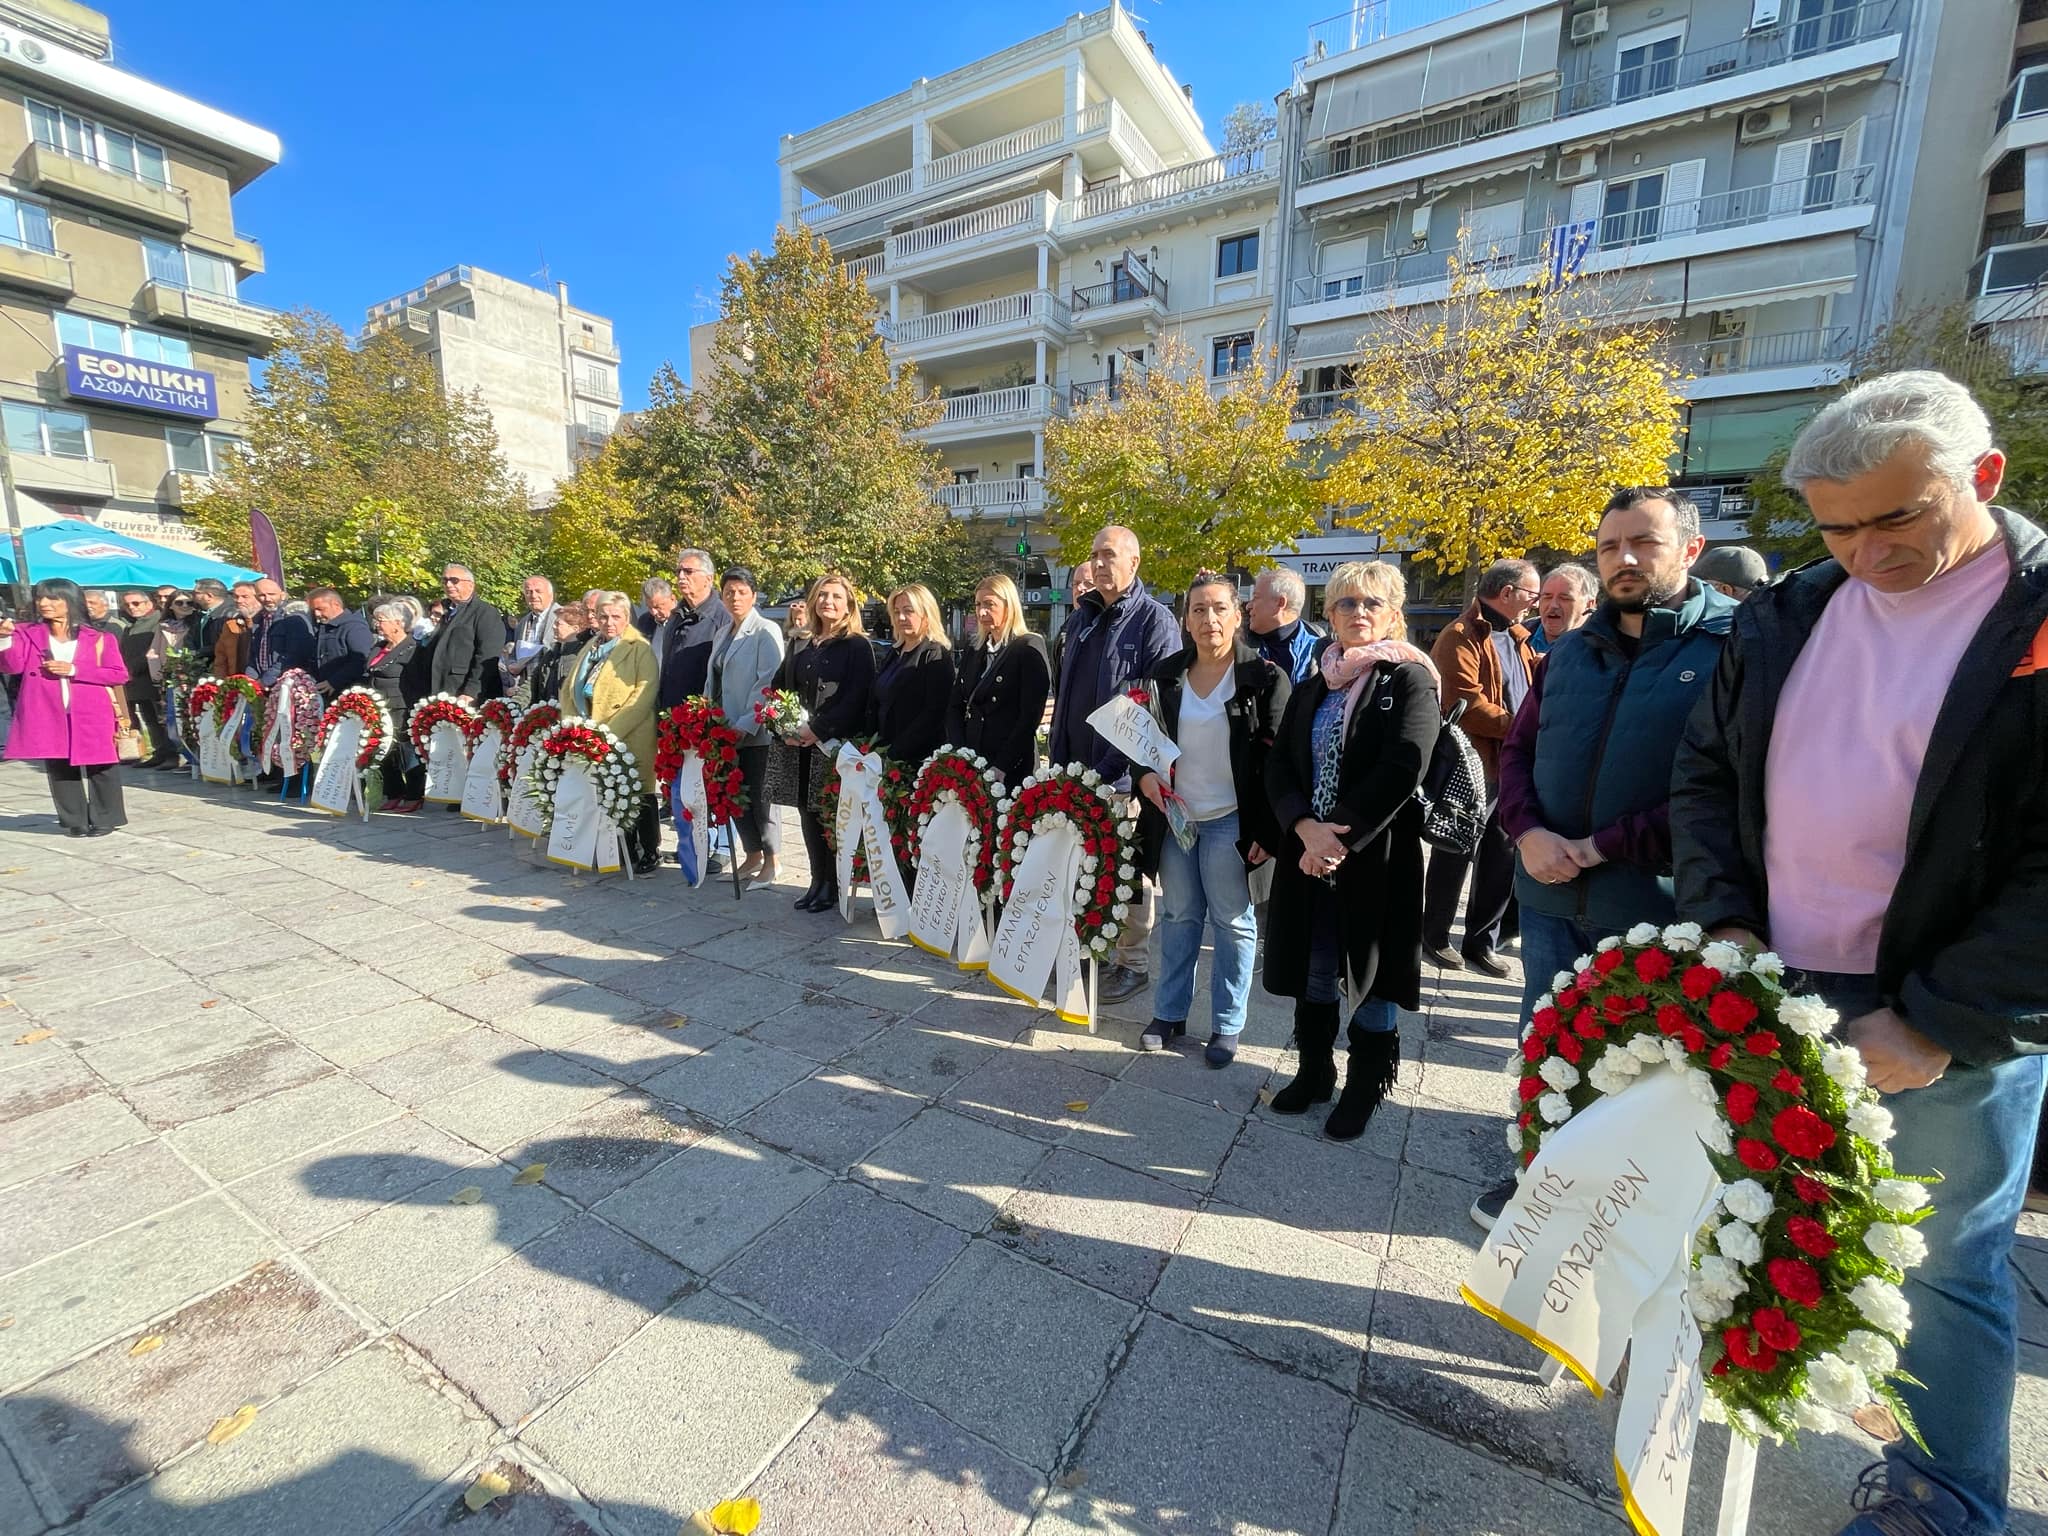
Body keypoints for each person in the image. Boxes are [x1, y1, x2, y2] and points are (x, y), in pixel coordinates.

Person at [1670, 372, 2048, 1536]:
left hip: (1941, 1014)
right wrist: (1726, 923)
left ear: (1979, 478)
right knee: (1764, 1240)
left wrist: (1935, 1016)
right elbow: (1706, 777)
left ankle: (1943, 1508)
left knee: (1938, 1271)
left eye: (1895, 518)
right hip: (1775, 985)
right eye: (1835, 525)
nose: (1864, 551)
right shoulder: (1788, 611)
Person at [1467, 486, 1735, 1227]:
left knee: (1640, 1070)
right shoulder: (1571, 651)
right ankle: (1539, 1183)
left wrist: (1597, 846)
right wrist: (1526, 832)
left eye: (1643, 542)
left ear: (1689, 548)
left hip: (1651, 910)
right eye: (1610, 544)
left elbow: (1716, 789)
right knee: (1549, 1051)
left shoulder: (1729, 648)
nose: (1623, 559)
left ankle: (1619, 1214)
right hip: (1550, 898)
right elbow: (1521, 750)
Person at [1262, 560, 1439, 1140]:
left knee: (1372, 972)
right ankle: (1315, 1070)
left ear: (1393, 614)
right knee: (1313, 967)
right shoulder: (1315, 683)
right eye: (1346, 604)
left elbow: (1400, 769)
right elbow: (1281, 764)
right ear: (1329, 613)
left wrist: (1335, 835)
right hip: (1307, 851)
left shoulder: (1410, 680)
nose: (1358, 613)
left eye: (1371, 603)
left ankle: (1366, 1085)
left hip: (1375, 855)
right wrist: (1303, 829)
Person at [1134, 573, 1290, 1066]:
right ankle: (1169, 1013)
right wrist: (1143, 778)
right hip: (1177, 817)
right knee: (1179, 917)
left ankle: (1227, 1023)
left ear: (1237, 615)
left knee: (1232, 922)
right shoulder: (1164, 674)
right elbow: (1141, 741)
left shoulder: (1263, 679)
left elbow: (1280, 762)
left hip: (1232, 820)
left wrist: (1269, 829)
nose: (1209, 620)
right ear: (1185, 620)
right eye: (1198, 610)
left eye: (1219, 608)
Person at [1047, 525, 1182, 1003]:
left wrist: (1107, 771)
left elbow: (1149, 706)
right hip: (1074, 772)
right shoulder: (1081, 619)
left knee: (1127, 870)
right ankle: (1092, 951)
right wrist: (1060, 765)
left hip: (1121, 777)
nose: (1100, 564)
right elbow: (1064, 697)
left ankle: (1133, 962)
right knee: (1087, 866)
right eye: (1094, 555)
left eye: (1110, 555)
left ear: (1134, 563)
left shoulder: (1153, 621)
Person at [1421, 559, 1538, 978]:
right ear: (1507, 593)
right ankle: (1434, 937)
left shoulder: (1520, 639)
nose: (1534, 603)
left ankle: (1481, 942)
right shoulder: (1460, 636)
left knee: (1501, 857)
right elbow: (1465, 704)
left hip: (1512, 765)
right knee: (1456, 851)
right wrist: (1526, 726)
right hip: (1474, 767)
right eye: (1532, 594)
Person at [776, 570, 875, 913]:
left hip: (832, 746)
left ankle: (832, 886)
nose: (828, 602)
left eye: (836, 597)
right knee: (806, 812)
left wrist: (818, 729)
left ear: (848, 605)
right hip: (798, 745)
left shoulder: (857, 646)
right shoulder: (801, 642)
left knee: (830, 815)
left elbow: (856, 697)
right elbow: (779, 687)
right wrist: (782, 723)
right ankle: (816, 881)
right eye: (822, 595)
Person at [0, 579, 130, 836]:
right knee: (59, 765)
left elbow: (118, 674)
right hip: (46, 709)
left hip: (92, 710)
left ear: (70, 601)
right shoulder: (26, 632)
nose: (44, 604)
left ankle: (106, 817)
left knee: (102, 764)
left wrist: (74, 670)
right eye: (40, 599)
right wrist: (4, 639)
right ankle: (74, 820)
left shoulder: (100, 638)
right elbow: (12, 666)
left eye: (52, 599)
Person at [563, 592, 660, 875]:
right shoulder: (592, 646)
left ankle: (649, 849)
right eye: (603, 616)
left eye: (616, 616)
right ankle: (619, 848)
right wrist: (572, 727)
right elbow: (570, 687)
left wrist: (608, 732)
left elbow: (644, 693)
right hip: (590, 728)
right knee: (607, 790)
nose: (609, 622)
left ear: (626, 618)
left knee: (637, 789)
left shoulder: (638, 647)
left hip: (629, 730)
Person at [708, 567, 786, 885]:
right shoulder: (723, 632)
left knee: (761, 798)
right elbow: (713, 680)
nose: (735, 597)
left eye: (741, 591)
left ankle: (772, 860)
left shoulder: (765, 630)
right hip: (724, 731)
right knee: (736, 795)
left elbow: (769, 682)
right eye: (729, 591)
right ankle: (751, 856)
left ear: (753, 596)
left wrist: (744, 724)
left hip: (755, 731)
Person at [948, 573, 1050, 786]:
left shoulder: (1027, 648)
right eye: (977, 605)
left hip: (1010, 769)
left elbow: (1029, 717)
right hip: (973, 762)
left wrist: (1002, 765)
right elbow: (955, 705)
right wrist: (960, 755)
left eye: (989, 604)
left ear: (1008, 605)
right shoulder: (974, 649)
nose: (981, 612)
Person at [875, 583, 954, 771]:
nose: (901, 617)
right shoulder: (894, 653)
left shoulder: (935, 654)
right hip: (882, 754)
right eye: (896, 611)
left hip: (915, 761)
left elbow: (934, 713)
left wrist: (895, 753)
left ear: (926, 614)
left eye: (908, 611)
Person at [366, 602, 425, 812]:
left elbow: (418, 681)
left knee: (406, 750)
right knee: (383, 750)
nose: (377, 625)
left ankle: (414, 793)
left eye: (381, 620)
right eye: (376, 620)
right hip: (378, 707)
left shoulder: (412, 649)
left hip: (401, 706)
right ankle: (393, 791)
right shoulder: (379, 647)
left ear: (398, 623)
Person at [654, 550, 731, 711]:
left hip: (702, 720)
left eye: (688, 571)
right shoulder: (675, 616)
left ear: (708, 579)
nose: (681, 577)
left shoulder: (723, 618)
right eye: (678, 571)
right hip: (669, 717)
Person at [427, 564, 507, 703]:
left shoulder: (485, 612)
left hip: (464, 691)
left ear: (470, 585)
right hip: (441, 687)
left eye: (454, 580)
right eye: (445, 580)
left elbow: (488, 655)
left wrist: (471, 691)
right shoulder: (445, 611)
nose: (448, 584)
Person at [114, 590, 176, 769]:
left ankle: (171, 753)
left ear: (149, 604)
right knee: (149, 718)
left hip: (151, 678)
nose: (131, 608)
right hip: (135, 681)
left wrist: (132, 669)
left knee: (161, 718)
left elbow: (154, 650)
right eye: (127, 605)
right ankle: (159, 751)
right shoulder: (131, 625)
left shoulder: (158, 621)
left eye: (136, 603)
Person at [1247, 566, 1322, 684]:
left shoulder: (1321, 650)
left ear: (1281, 602)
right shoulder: (1235, 641)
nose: (1248, 606)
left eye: (1256, 598)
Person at [247, 578, 314, 686]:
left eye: (271, 594)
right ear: (256, 597)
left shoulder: (293, 618)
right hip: (261, 682)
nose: (267, 599)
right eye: (262, 595)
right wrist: (249, 680)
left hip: (285, 683)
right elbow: (255, 655)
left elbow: (294, 655)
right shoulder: (258, 619)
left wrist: (266, 680)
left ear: (282, 595)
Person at [308, 587, 373, 699]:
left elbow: (361, 660)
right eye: (313, 610)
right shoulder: (324, 627)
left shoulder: (354, 627)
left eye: (321, 609)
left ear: (336, 605)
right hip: (328, 691)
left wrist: (334, 682)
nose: (317, 614)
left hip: (350, 693)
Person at [525, 600, 588, 708]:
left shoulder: (581, 655)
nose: (553, 627)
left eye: (558, 624)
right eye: (554, 623)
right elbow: (532, 682)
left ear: (575, 629)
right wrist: (515, 703)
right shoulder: (552, 653)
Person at [501, 575, 557, 693]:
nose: (533, 596)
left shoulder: (563, 618)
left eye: (538, 591)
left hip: (552, 687)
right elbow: (514, 655)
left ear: (551, 595)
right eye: (528, 592)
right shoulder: (522, 623)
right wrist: (512, 665)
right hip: (527, 689)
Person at [1527, 563, 1598, 656]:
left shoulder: (1603, 644)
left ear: (1589, 604)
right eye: (1547, 597)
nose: (1553, 605)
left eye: (1564, 598)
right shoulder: (1519, 635)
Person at [1048, 561, 1096, 685]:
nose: (1080, 589)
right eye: (1076, 584)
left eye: (1088, 584)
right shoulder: (1065, 630)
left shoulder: (1107, 629)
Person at [210, 581, 258, 678]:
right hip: (235, 681)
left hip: (261, 682)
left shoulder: (266, 622)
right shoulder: (230, 625)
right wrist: (221, 683)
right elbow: (221, 658)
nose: (239, 600)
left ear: (257, 598)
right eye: (236, 597)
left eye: (245, 597)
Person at [1691, 544, 1770, 601]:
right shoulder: (1771, 618)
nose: (1691, 591)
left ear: (1725, 590)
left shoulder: (1725, 622)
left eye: (1701, 585)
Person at [192, 578, 231, 657]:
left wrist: (197, 653)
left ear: (209, 596)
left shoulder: (229, 615)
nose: (192, 596)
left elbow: (223, 644)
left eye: (195, 593)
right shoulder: (203, 613)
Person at [635, 577, 677, 642]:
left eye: (657, 607)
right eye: (649, 607)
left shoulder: (687, 619)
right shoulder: (644, 622)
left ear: (672, 599)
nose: (654, 612)